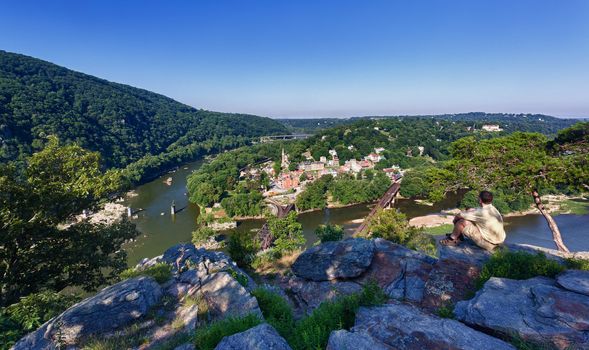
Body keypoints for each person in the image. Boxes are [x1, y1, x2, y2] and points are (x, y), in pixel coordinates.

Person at [440, 191, 505, 251]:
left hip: (489, 244)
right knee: (469, 219)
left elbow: (459, 215)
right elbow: (478, 211)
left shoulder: (480, 212)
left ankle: (452, 239)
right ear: (491, 200)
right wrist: (470, 210)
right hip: (499, 241)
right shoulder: (493, 209)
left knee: (461, 222)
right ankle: (458, 235)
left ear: (480, 200)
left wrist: (455, 221)